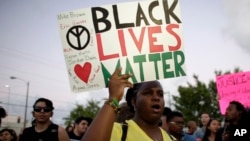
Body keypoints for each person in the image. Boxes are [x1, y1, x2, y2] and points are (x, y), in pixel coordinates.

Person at [82, 68, 172, 141]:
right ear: (133, 102)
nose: (156, 98)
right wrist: (114, 98)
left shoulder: (172, 139)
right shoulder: (117, 132)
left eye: (160, 94)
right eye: (148, 93)